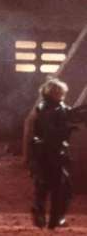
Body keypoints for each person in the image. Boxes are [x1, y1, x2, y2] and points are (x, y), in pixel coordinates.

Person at [27, 78, 83, 229]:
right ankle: (53, 218)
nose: (61, 94)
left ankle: (47, 216)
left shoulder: (53, 107)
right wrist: (67, 129)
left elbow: (70, 114)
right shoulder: (49, 109)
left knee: (47, 187)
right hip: (50, 153)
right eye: (59, 92)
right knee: (58, 188)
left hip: (48, 153)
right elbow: (51, 132)